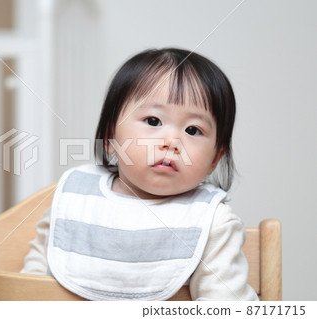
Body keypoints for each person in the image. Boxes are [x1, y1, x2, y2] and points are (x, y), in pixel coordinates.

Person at [21, 48, 258, 301]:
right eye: (153, 121)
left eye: (193, 129)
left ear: (215, 158)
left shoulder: (213, 221)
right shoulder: (77, 197)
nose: (172, 141)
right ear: (110, 138)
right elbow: (30, 286)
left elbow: (224, 304)